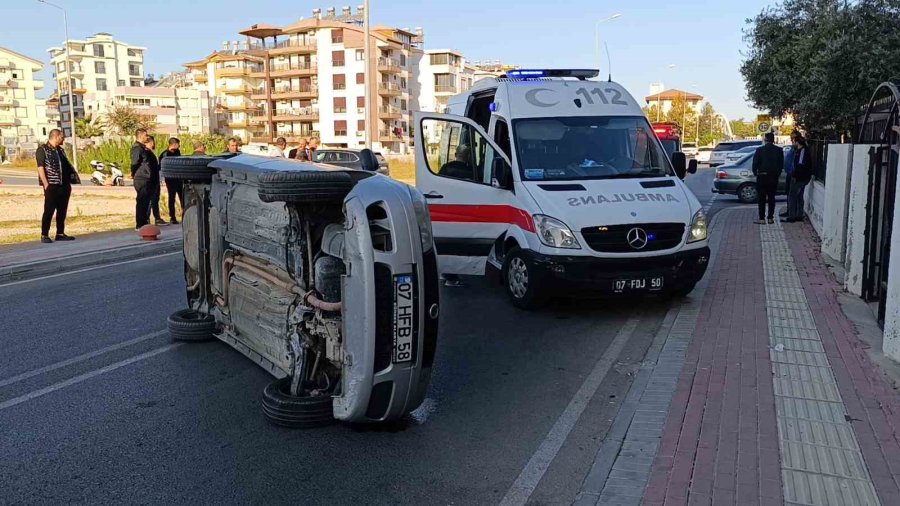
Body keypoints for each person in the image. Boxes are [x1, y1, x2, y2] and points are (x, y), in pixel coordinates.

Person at [36, 129, 77, 243]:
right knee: (49, 210)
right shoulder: (42, 149)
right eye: (62, 137)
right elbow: (40, 167)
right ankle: (44, 234)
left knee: (62, 210)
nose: (63, 139)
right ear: (56, 136)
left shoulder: (60, 150)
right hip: (52, 185)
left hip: (64, 185)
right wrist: (46, 184)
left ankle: (60, 233)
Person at [752, 132, 783, 224]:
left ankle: (762, 218)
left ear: (765, 140)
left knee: (761, 199)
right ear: (773, 140)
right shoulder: (779, 150)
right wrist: (777, 174)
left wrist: (756, 173)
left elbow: (755, 164)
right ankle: (770, 218)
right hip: (773, 178)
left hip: (762, 177)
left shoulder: (759, 150)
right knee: (771, 198)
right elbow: (781, 165)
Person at [784, 135, 811, 223]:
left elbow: (800, 165)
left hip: (799, 178)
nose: (793, 143)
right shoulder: (800, 151)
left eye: (794, 141)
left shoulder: (802, 151)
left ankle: (792, 216)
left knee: (792, 196)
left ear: (798, 142)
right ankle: (799, 215)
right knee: (799, 196)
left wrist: (794, 175)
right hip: (802, 177)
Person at [131, 129, 153, 229]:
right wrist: (134, 173)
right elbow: (135, 163)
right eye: (145, 135)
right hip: (141, 178)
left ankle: (144, 222)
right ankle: (140, 224)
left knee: (145, 201)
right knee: (141, 201)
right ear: (140, 136)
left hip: (146, 177)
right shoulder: (137, 148)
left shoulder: (143, 148)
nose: (147, 137)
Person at [159, 137, 183, 224]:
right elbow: (162, 167)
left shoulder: (177, 152)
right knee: (172, 197)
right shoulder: (165, 154)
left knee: (182, 197)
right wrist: (162, 179)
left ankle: (184, 215)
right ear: (173, 144)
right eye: (178, 144)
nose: (179, 146)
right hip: (170, 179)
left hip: (179, 178)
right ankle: (172, 217)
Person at [143, 136, 166, 225]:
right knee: (149, 200)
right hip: (150, 179)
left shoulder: (151, 153)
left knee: (155, 199)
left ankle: (157, 217)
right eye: (152, 142)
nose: (153, 144)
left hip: (155, 178)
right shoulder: (146, 153)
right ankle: (146, 218)